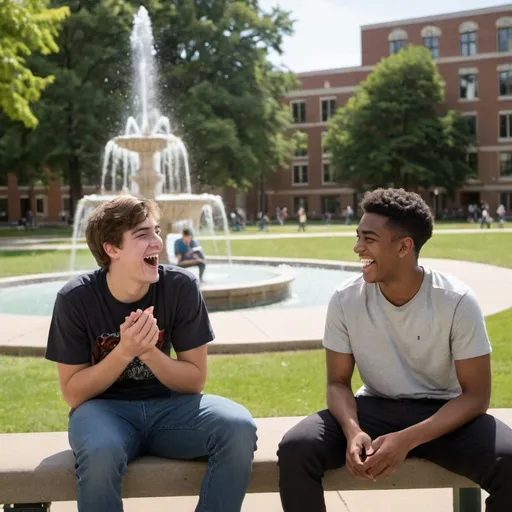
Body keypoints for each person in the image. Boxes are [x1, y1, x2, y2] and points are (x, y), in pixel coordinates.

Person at [277, 188, 512, 512]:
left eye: (369, 239)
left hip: (445, 414)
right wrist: (353, 429)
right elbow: (337, 383)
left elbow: (476, 396)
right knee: (296, 448)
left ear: (404, 246)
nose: (357, 248)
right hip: (375, 407)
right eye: (358, 237)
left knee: (510, 460)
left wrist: (407, 439)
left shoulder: (455, 300)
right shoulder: (345, 299)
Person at [45, 196, 257, 512]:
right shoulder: (75, 299)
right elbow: (74, 393)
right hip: (104, 412)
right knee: (101, 451)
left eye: (156, 231)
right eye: (143, 234)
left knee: (239, 427)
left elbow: (194, 380)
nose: (157, 242)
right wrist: (123, 351)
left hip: (171, 409)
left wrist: (148, 352)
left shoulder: (180, 287)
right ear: (111, 249)